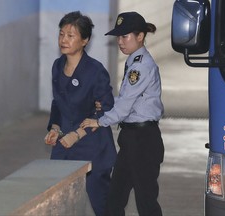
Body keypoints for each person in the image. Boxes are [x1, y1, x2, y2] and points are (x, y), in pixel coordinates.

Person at [80, 11, 164, 216]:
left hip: (143, 140)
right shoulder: (134, 62)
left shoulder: (141, 66)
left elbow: (125, 106)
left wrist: (100, 120)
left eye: (125, 36)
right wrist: (108, 106)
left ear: (140, 36)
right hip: (131, 138)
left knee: (146, 202)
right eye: (118, 37)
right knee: (115, 198)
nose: (120, 41)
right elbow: (130, 100)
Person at [44, 11, 117, 216]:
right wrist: (55, 128)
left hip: (92, 146)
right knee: (58, 201)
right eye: (61, 34)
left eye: (70, 35)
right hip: (64, 146)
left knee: (102, 204)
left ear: (85, 40)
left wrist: (77, 134)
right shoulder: (58, 66)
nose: (63, 40)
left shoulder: (95, 71)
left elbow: (106, 108)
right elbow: (57, 103)